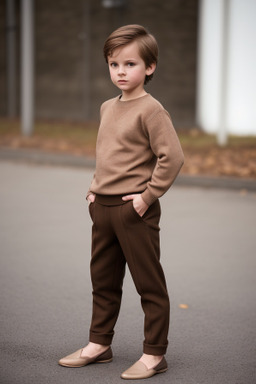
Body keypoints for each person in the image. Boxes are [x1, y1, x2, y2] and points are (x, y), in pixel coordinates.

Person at [59, 24, 184, 380]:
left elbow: (172, 158)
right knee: (103, 280)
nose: (121, 72)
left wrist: (147, 197)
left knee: (149, 284)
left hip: (134, 210)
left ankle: (154, 354)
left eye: (130, 64)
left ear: (150, 67)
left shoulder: (152, 110)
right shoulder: (106, 108)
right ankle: (99, 344)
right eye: (114, 64)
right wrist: (94, 188)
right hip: (103, 208)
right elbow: (109, 154)